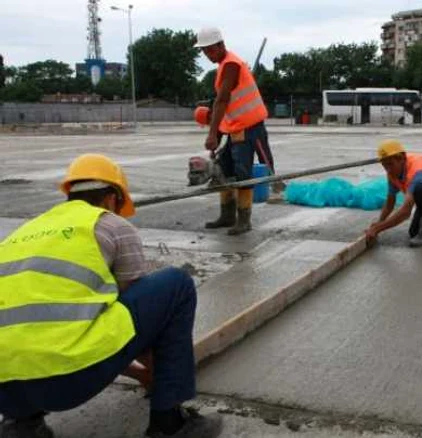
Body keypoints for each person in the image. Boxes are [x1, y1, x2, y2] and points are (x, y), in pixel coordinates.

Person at [0, 154, 222, 438]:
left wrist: (139, 374)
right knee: (176, 284)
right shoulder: (111, 225)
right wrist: (163, 371)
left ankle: (20, 425)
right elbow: (132, 326)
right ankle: (170, 424)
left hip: (4, 390)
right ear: (111, 198)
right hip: (67, 382)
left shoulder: (26, 230)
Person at [195, 27, 275, 234]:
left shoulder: (231, 64)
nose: (207, 55)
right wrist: (218, 134)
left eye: (210, 50)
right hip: (237, 129)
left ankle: (244, 219)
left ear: (221, 45)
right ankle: (228, 215)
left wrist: (212, 134)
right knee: (225, 170)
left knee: (243, 174)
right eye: (204, 52)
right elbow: (226, 109)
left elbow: (222, 101)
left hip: (250, 128)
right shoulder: (223, 66)